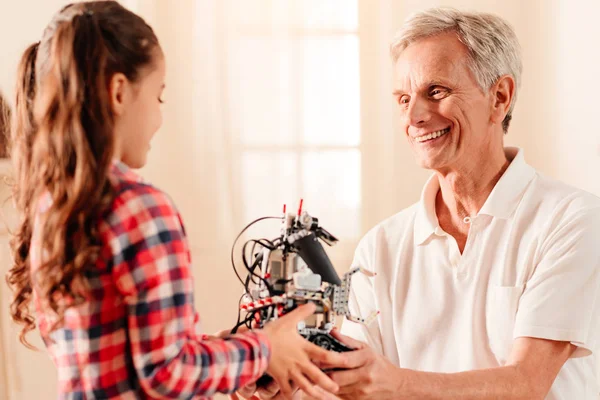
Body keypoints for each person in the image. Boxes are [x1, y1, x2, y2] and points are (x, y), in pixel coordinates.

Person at [237, 6, 600, 400]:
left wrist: (395, 383)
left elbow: (526, 383)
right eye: (403, 98)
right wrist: (288, 385)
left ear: (500, 97)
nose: (414, 116)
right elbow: (360, 387)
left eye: (436, 91)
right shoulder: (382, 246)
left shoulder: (573, 221)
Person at [5, 2, 344, 399]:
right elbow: (167, 372)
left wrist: (230, 355)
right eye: (158, 95)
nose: (160, 117)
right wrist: (264, 349)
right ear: (118, 92)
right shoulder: (140, 207)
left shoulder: (54, 204)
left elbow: (139, 356)